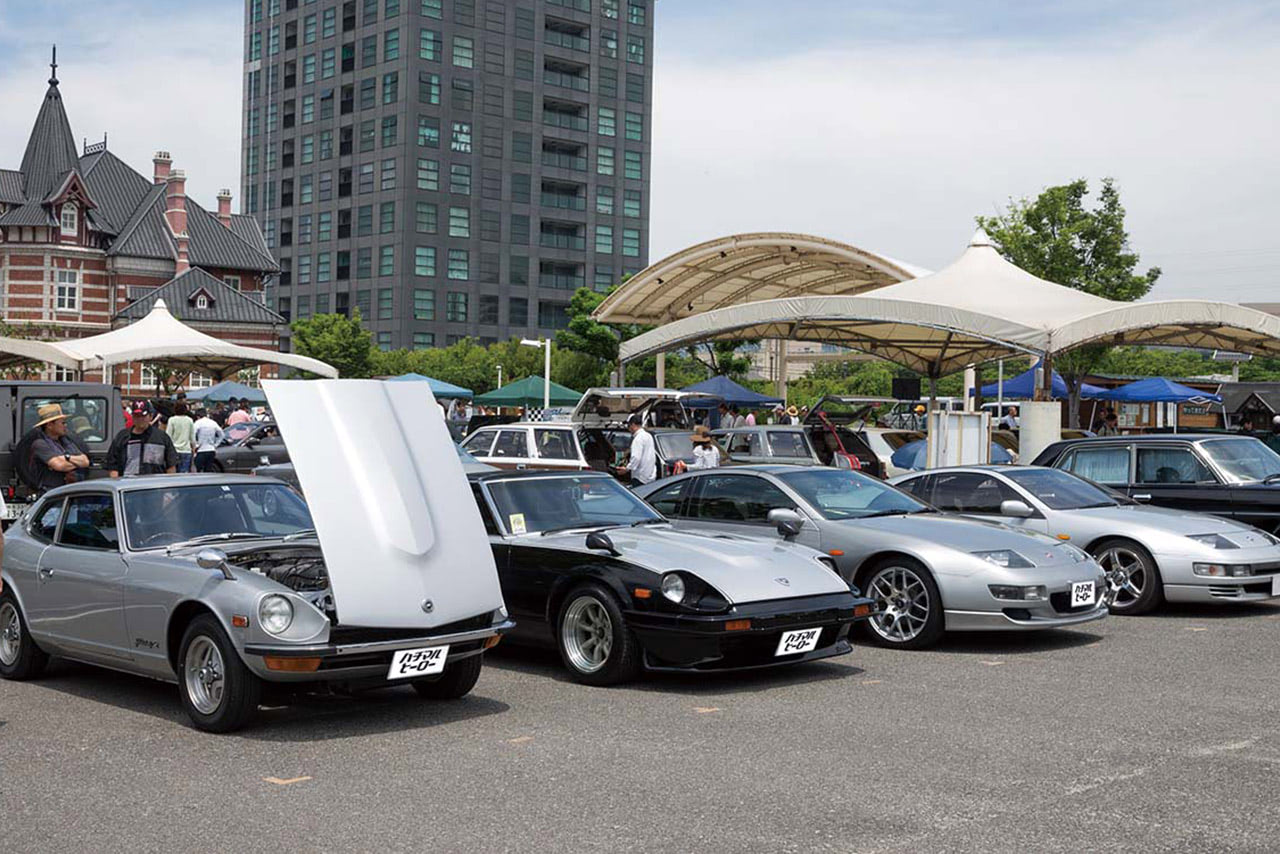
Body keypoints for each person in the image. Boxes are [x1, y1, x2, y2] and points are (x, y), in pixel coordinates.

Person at [29, 403, 91, 493]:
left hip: (69, 491)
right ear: (49, 425)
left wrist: (66, 458)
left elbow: (85, 461)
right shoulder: (40, 444)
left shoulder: (66, 441)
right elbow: (60, 466)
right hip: (51, 493)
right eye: (62, 423)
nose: (65, 425)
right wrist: (76, 463)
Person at [107, 401, 177, 477]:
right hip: (128, 482)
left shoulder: (162, 438)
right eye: (136, 416)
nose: (140, 419)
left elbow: (171, 465)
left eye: (143, 416)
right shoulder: (122, 437)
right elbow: (113, 466)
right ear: (132, 416)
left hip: (155, 482)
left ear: (151, 416)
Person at [616, 413, 656, 485]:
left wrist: (627, 469)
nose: (628, 428)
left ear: (633, 424)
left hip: (639, 478)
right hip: (650, 477)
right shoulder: (648, 436)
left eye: (628, 425)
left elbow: (636, 458)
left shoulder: (638, 439)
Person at [192, 407, 224, 472]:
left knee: (198, 469)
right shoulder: (213, 422)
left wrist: (196, 445)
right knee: (208, 469)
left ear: (198, 416)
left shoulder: (198, 423)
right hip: (211, 449)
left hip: (201, 450)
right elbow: (222, 435)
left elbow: (192, 434)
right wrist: (215, 444)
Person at [166, 401, 195, 473]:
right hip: (186, 450)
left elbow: (168, 435)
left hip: (174, 450)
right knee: (184, 473)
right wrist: (193, 448)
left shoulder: (172, 420)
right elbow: (192, 437)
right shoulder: (189, 420)